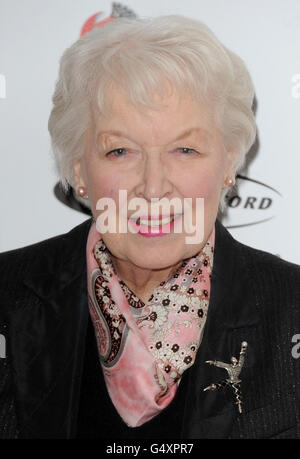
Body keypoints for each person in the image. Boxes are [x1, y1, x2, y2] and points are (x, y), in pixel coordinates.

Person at [0, 15, 299, 440]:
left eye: (185, 149)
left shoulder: (292, 307)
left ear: (229, 161)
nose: (154, 188)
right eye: (120, 150)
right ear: (79, 168)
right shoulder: (7, 295)